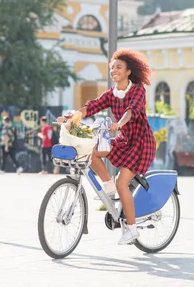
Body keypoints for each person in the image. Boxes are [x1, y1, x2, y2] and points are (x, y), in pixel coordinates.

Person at [58, 48, 154, 245]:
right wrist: (71, 118)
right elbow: (93, 106)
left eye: (118, 67)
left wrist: (119, 124)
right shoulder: (112, 93)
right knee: (91, 152)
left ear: (128, 71)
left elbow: (132, 110)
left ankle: (132, 230)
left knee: (122, 183)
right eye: (112, 68)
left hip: (140, 143)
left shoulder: (137, 89)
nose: (113, 71)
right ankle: (108, 186)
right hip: (123, 140)